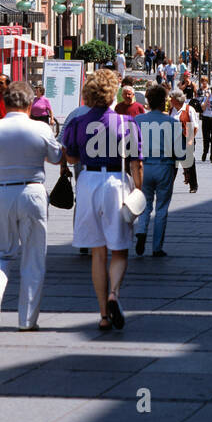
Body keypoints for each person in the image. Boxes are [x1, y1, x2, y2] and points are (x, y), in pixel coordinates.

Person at [0, 80, 64, 331]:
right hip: (32, 192)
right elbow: (56, 158)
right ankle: (26, 321)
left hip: (0, 192)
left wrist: (2, 163)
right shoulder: (41, 128)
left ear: (4, 102)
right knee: (34, 258)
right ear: (31, 103)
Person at [60, 68, 140, 331]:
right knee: (119, 249)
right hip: (116, 182)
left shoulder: (77, 123)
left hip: (88, 181)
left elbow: (71, 157)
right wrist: (138, 189)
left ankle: (104, 315)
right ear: (112, 94)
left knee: (97, 251)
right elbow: (136, 163)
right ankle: (114, 293)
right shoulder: (127, 123)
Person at [133, 83, 187, 256]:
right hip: (164, 166)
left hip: (144, 166)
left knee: (145, 203)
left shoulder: (138, 121)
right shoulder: (172, 123)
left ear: (148, 101)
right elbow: (181, 152)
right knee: (162, 207)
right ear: (164, 102)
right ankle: (157, 247)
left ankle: (141, 230)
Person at [172, 88, 200, 195]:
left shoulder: (189, 109)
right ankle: (168, 186)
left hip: (186, 138)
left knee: (189, 163)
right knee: (173, 164)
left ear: (177, 100)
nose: (170, 100)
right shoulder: (172, 109)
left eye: (172, 99)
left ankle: (193, 185)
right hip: (174, 140)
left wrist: (190, 140)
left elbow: (195, 126)